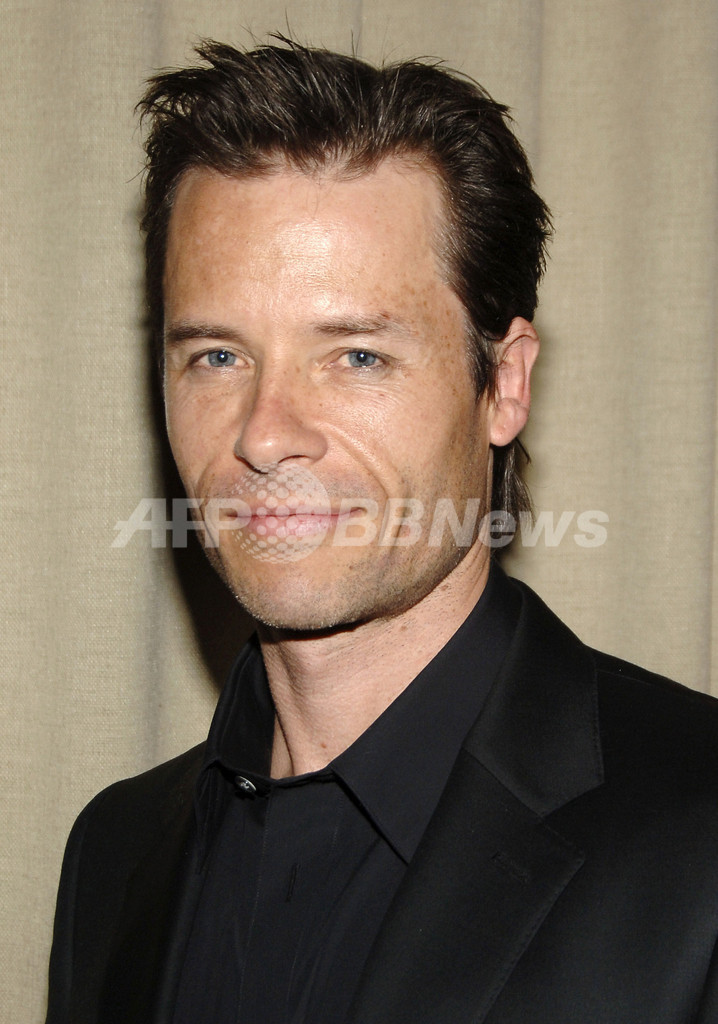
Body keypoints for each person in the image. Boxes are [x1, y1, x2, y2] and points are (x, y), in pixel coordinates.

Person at [45, 38, 718, 1024]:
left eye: (356, 355)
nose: (265, 432)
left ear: (505, 383)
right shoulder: (113, 855)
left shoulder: (698, 835)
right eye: (219, 355)